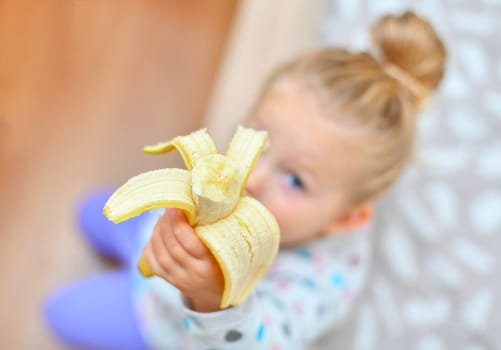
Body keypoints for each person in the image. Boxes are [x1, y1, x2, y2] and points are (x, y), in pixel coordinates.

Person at [44, 11, 446, 349]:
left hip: (162, 320)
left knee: (60, 314)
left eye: (295, 180)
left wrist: (212, 298)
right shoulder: (270, 183)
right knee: (91, 210)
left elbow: (258, 341)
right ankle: (136, 241)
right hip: (160, 236)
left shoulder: (318, 284)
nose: (251, 178)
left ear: (345, 219)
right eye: (259, 140)